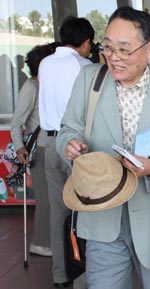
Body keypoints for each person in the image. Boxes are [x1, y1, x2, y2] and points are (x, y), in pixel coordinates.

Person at [56, 6, 150, 289]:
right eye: (108, 48)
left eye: (124, 49)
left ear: (149, 49)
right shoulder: (89, 81)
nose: (114, 57)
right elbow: (68, 129)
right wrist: (69, 145)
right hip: (102, 214)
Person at [38, 16, 94, 288]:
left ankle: (61, 277)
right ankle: (83, 275)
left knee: (58, 211)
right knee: (85, 209)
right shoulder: (84, 66)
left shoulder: (45, 63)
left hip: (50, 144)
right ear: (85, 43)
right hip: (76, 146)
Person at [10, 43, 58, 258]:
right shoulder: (31, 87)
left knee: (54, 199)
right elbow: (16, 122)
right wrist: (20, 147)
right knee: (45, 199)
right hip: (38, 149)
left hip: (52, 147)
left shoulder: (48, 85)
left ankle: (52, 240)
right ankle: (40, 242)